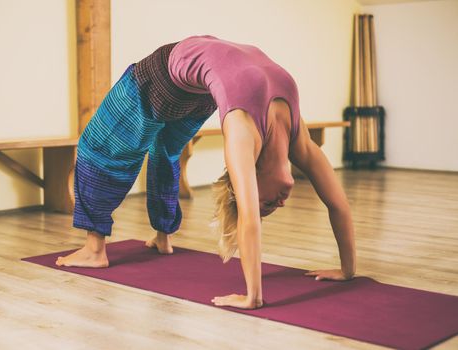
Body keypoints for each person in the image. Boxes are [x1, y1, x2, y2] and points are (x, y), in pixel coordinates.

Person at [56, 35, 356, 309]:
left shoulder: (244, 133)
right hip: (197, 90)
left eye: (266, 205)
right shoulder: (295, 137)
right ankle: (159, 236)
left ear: (247, 183)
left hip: (167, 79)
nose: (278, 204)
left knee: (98, 148)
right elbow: (335, 204)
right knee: (162, 151)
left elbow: (257, 215)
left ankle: (100, 249)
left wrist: (345, 271)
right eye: (268, 205)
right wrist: (345, 271)